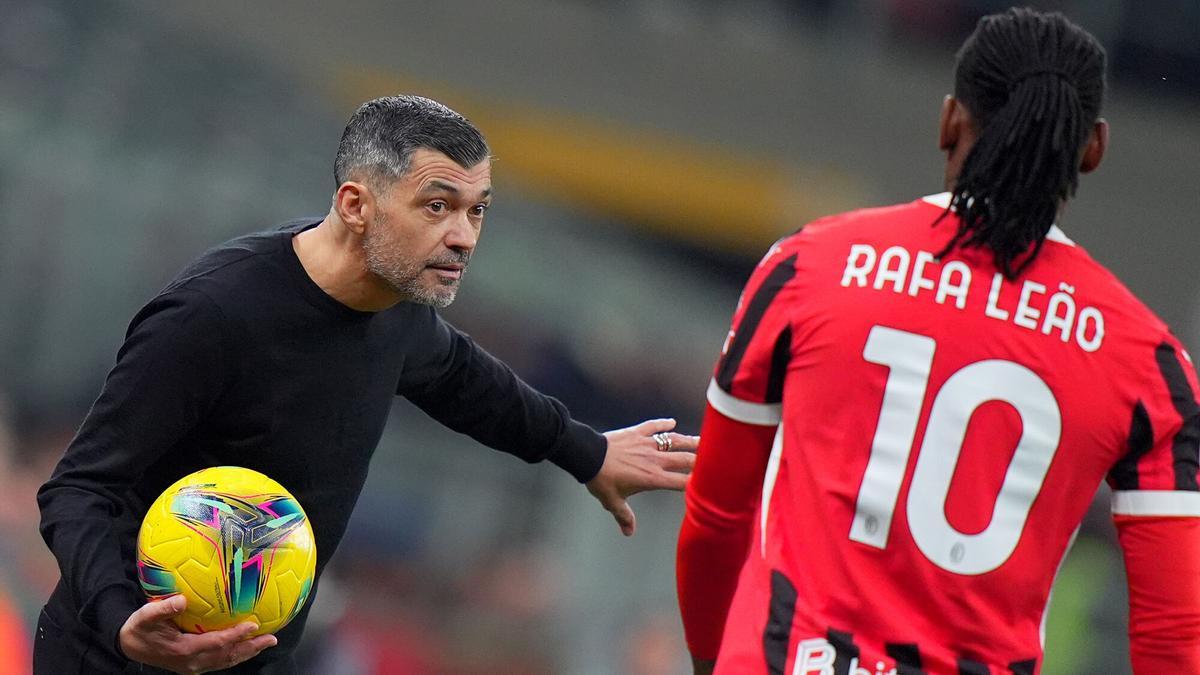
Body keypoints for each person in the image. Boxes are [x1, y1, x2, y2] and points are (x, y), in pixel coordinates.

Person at [36, 95, 698, 674]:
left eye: (477, 211)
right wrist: (123, 617)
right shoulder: (214, 314)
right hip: (117, 659)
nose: (464, 236)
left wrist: (587, 452)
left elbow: (470, 382)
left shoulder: (397, 310)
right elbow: (79, 487)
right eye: (438, 206)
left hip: (255, 661)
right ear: (355, 204)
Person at [676, 8, 1199, 675]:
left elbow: (717, 515)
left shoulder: (809, 266)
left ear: (950, 119)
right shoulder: (1149, 364)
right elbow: (1171, 636)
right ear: (1093, 148)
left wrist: (707, 660)